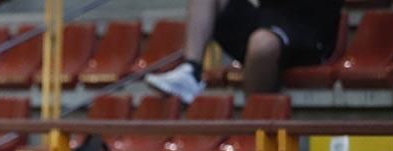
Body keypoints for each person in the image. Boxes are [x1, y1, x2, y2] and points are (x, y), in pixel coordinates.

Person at [146, 0, 345, 102]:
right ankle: (191, 72)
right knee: (261, 38)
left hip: (309, 33)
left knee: (262, 45)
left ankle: (253, 122)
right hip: (268, 21)